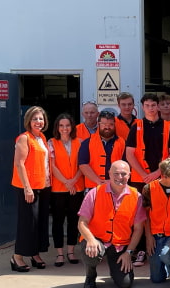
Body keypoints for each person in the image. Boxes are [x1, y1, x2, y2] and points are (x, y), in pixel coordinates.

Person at [77, 160, 145, 288]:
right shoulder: (95, 193)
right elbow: (82, 222)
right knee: (92, 252)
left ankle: (115, 271)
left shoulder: (136, 196)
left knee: (125, 284)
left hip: (120, 245)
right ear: (109, 174)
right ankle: (90, 275)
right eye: (116, 173)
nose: (120, 177)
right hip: (97, 240)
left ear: (129, 175)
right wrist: (90, 239)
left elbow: (138, 229)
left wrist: (129, 253)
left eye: (124, 174)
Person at [11, 106, 51, 272]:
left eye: (41, 119)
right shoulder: (24, 138)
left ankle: (34, 254)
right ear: (28, 120)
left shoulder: (41, 137)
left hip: (43, 186)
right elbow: (19, 164)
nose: (38, 122)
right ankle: (17, 257)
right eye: (35, 119)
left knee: (39, 223)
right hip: (28, 188)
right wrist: (27, 188)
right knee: (28, 223)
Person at [48, 113, 84, 267]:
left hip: (77, 187)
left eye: (67, 125)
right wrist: (66, 182)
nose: (64, 128)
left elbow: (83, 165)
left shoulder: (80, 142)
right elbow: (52, 166)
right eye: (61, 125)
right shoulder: (51, 143)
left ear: (72, 127)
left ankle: (70, 251)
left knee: (73, 220)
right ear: (57, 127)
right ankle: (59, 254)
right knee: (58, 221)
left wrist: (73, 181)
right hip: (58, 188)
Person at [126, 93, 170, 189]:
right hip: (140, 179)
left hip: (163, 177)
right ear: (142, 107)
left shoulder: (168, 127)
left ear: (158, 106)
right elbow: (129, 154)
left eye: (153, 105)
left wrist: (157, 172)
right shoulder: (136, 127)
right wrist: (144, 175)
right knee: (141, 204)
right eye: (147, 106)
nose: (150, 108)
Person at [78, 109, 126, 189]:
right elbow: (83, 164)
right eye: (103, 124)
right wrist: (98, 181)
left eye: (110, 124)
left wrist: (114, 181)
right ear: (98, 124)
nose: (107, 127)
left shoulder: (123, 143)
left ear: (114, 124)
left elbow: (126, 166)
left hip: (117, 186)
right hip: (94, 187)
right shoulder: (87, 143)